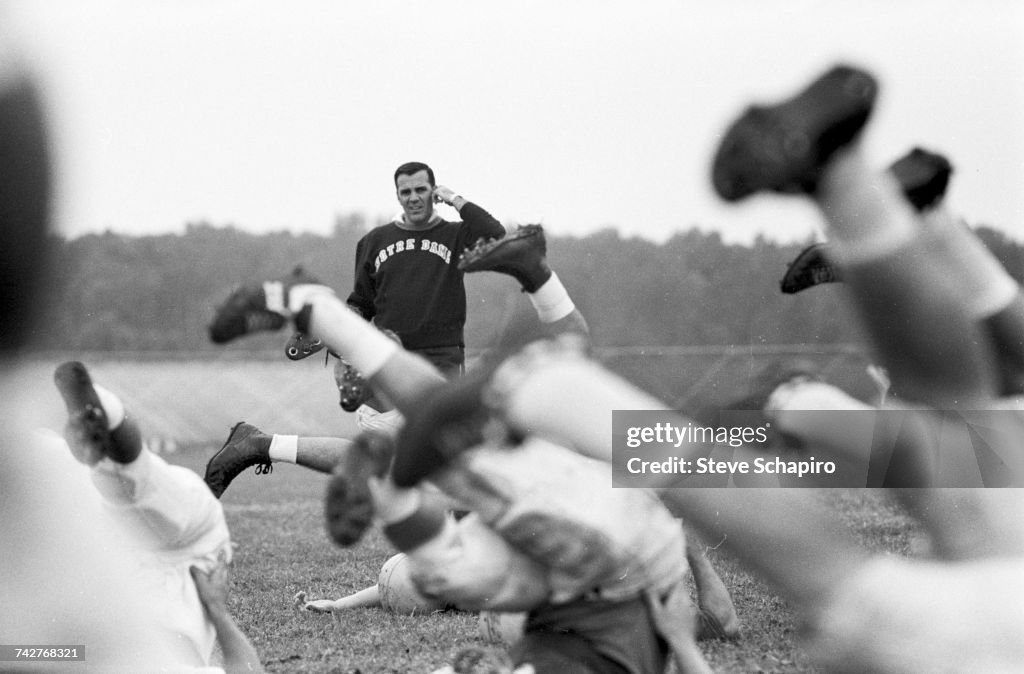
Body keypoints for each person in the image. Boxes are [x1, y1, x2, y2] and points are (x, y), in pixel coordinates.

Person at [206, 268, 721, 674]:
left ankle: (334, 329)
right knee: (453, 538)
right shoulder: (640, 534)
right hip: (589, 563)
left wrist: (344, 604)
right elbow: (713, 606)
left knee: (451, 540)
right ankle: (392, 468)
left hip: (553, 554)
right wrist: (684, 632)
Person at [50, 360, 265, 673]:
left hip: (173, 564)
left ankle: (107, 418)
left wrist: (218, 610)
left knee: (129, 485)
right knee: (123, 486)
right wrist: (218, 611)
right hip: (174, 567)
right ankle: (105, 417)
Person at [345, 161, 507, 377]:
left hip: (443, 358)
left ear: (434, 192)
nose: (413, 198)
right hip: (389, 358)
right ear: (398, 196)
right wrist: (345, 353)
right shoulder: (373, 241)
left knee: (445, 412)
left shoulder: (455, 235)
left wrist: (454, 198)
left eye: (421, 190)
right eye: (406, 192)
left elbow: (496, 233)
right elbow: (362, 304)